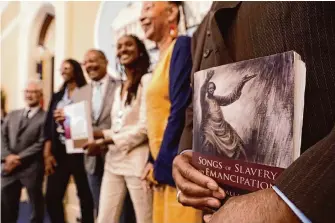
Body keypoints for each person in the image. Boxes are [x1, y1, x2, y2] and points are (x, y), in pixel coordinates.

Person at [173, 2, 335, 223]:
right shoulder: (202, 29)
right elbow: (194, 104)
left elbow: (230, 97)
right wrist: (187, 158)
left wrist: (291, 201)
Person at [140, 1, 202, 223]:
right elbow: (157, 114)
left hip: (176, 168)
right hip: (162, 166)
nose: (141, 16)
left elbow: (181, 108)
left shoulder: (182, 46)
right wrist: (151, 160)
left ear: (171, 12)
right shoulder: (159, 59)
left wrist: (163, 164)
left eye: (148, 7)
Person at [84, 35, 153, 223]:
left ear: (139, 50)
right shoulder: (120, 87)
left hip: (137, 163)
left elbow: (144, 127)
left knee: (144, 218)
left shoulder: (147, 81)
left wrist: (106, 140)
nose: (123, 49)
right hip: (113, 161)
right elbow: (118, 128)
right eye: (120, 46)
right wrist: (94, 133)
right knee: (104, 218)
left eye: (129, 45)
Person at [44, 59, 94, 223]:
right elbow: (48, 125)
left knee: (85, 196)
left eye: (67, 67)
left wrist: (69, 117)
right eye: (61, 68)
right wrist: (47, 152)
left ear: (76, 70)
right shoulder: (58, 96)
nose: (63, 71)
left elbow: (91, 117)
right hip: (60, 151)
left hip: (82, 150)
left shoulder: (87, 91)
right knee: (52, 196)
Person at [1, 79, 45, 223]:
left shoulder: (45, 117)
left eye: (33, 92)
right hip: (9, 168)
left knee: (35, 208)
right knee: (6, 206)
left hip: (31, 168)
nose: (29, 95)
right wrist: (7, 156)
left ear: (40, 95)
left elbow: (41, 143)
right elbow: (2, 136)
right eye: (27, 92)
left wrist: (18, 158)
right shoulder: (13, 114)